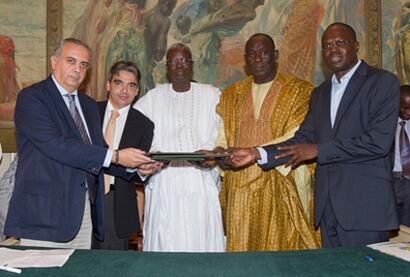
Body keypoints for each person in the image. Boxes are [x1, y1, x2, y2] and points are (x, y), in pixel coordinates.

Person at [229, 23, 400, 247]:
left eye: (340, 43)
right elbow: (302, 139)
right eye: (327, 46)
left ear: (356, 46)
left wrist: (319, 150)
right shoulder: (320, 93)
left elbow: (378, 142)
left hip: (364, 208)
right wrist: (256, 153)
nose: (333, 50)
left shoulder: (382, 82)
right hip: (327, 209)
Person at [4, 38, 155, 249]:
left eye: (83, 65)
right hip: (44, 214)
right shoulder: (33, 98)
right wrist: (118, 156)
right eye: (71, 61)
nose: (77, 69)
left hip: (84, 215)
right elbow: (57, 145)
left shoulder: (88, 105)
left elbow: (98, 153)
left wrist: (137, 169)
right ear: (54, 62)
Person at [211, 33, 320, 251]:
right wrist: (220, 153)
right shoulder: (232, 93)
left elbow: (298, 133)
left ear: (275, 55)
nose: (258, 58)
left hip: (280, 179)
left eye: (263, 53)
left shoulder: (300, 90)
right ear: (245, 60)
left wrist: (257, 152)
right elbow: (223, 131)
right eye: (251, 54)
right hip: (239, 182)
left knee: (279, 250)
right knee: (242, 251)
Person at [133, 43, 225, 252]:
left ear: (192, 65)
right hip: (165, 184)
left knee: (201, 245)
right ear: (167, 67)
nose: (179, 65)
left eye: (184, 60)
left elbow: (226, 132)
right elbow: (133, 131)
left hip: (201, 184)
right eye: (174, 61)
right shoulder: (153, 98)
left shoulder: (211, 95)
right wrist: (151, 156)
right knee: (166, 246)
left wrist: (215, 152)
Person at [93, 61, 161, 250]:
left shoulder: (144, 125)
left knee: (112, 267)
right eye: (118, 83)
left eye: (131, 85)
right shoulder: (89, 111)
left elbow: (135, 173)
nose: (124, 90)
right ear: (108, 85)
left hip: (116, 204)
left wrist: (143, 171)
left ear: (137, 90)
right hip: (83, 199)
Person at [393, 85, 410, 228]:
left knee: (408, 230)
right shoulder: (384, 123)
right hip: (390, 182)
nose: (409, 112)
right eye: (405, 107)